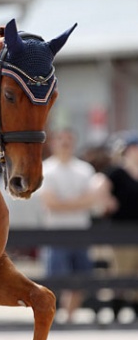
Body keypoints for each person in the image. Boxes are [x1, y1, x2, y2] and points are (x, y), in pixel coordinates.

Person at [38, 128, 100, 323]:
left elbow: (92, 199)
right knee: (55, 278)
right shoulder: (46, 168)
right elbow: (50, 203)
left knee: (81, 277)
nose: (65, 145)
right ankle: (53, 316)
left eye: (69, 141)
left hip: (80, 231)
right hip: (55, 232)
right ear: (54, 143)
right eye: (62, 141)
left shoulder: (84, 169)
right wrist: (78, 202)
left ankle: (69, 315)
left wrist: (65, 203)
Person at [95, 131, 138, 319]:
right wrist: (107, 201)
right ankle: (116, 312)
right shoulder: (117, 172)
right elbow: (97, 187)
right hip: (121, 230)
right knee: (121, 273)